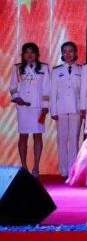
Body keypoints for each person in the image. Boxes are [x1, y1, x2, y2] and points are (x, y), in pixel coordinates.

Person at [10, 43, 51, 176]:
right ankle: (24, 166)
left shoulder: (44, 67)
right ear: (22, 55)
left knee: (37, 136)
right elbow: (13, 86)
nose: (29, 55)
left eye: (32, 52)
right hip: (23, 106)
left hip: (38, 106)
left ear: (37, 54)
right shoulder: (17, 68)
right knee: (23, 136)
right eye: (26, 52)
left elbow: (46, 88)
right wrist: (17, 98)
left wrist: (45, 107)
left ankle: (36, 167)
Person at [49, 41, 82, 178]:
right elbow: (52, 92)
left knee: (74, 138)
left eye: (71, 51)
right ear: (62, 54)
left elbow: (82, 91)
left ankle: (72, 169)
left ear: (75, 53)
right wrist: (53, 111)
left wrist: (83, 108)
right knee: (62, 139)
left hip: (76, 107)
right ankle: (63, 170)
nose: (68, 54)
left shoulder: (81, 70)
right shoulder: (56, 71)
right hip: (61, 108)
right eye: (65, 51)